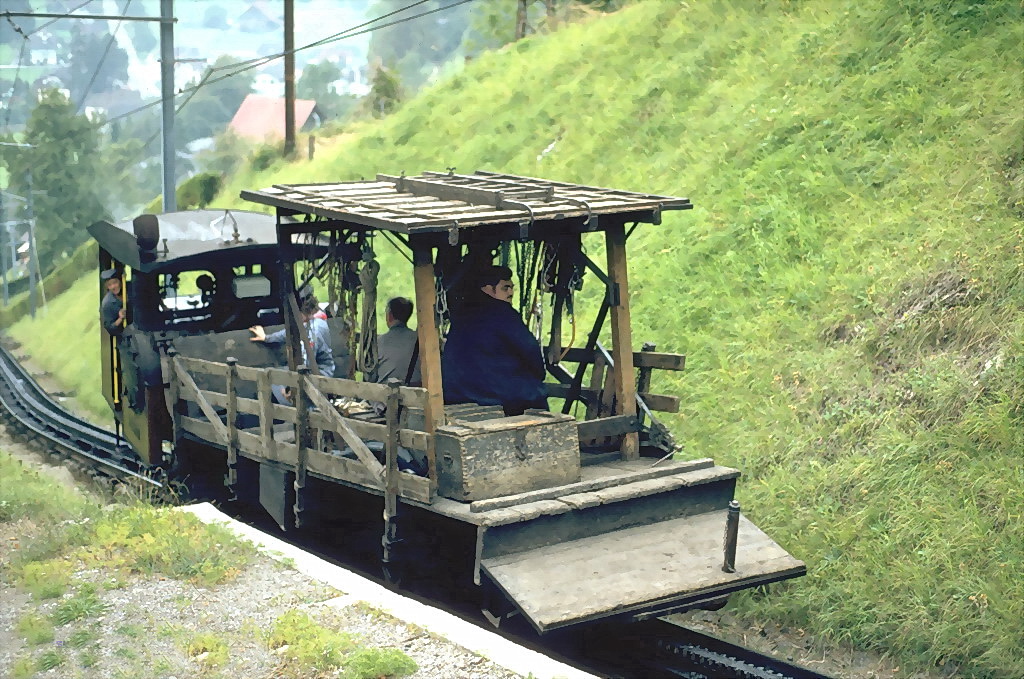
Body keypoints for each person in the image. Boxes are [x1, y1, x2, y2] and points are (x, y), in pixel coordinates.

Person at [441, 265, 547, 416]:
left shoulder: (461, 315)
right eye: (505, 288)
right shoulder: (503, 314)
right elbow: (529, 349)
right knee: (536, 396)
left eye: (511, 288)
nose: (510, 292)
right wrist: (538, 374)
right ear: (487, 289)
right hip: (495, 395)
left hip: (458, 393)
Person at [250, 293, 335, 402]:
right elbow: (290, 333)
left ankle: (300, 410)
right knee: (276, 374)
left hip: (319, 373)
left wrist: (290, 388)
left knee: (274, 379)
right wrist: (267, 337)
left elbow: (307, 361)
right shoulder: (311, 322)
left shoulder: (314, 330)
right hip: (317, 370)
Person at [371, 297, 421, 387]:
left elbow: (370, 377)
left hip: (383, 398)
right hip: (414, 396)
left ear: (390, 316)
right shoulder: (419, 340)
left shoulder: (379, 342)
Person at [100, 268, 127, 336]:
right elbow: (110, 328)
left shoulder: (129, 289)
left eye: (115, 282)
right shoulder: (107, 303)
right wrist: (120, 318)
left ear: (120, 281)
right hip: (124, 337)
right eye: (109, 285)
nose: (113, 287)